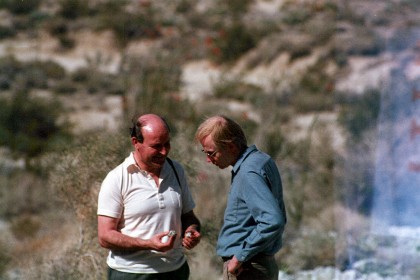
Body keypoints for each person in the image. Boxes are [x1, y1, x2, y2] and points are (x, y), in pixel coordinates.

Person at [97, 113, 201, 280]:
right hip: (131, 274)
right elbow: (105, 236)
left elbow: (188, 216)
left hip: (175, 271)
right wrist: (148, 244)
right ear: (136, 142)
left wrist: (191, 232)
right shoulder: (117, 178)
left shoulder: (176, 170)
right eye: (156, 146)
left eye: (167, 144)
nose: (164, 151)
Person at [195, 115, 286, 280]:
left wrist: (239, 257)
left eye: (211, 153)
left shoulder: (248, 172)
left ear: (231, 147)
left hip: (247, 269)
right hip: (256, 264)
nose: (208, 160)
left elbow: (272, 220)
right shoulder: (261, 160)